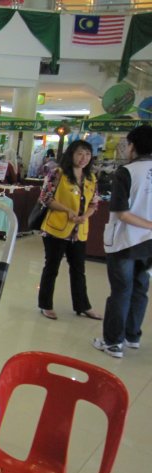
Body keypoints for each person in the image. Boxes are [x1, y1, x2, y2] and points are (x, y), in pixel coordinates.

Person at [94, 125, 152, 358]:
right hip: (149, 244)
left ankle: (113, 342)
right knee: (140, 289)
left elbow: (122, 213)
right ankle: (132, 336)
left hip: (125, 242)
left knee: (121, 291)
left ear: (133, 146)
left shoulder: (126, 172)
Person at [37, 140, 101, 321]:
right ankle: (45, 304)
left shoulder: (91, 178)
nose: (84, 158)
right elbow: (45, 198)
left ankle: (83, 305)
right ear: (71, 154)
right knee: (52, 267)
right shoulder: (58, 173)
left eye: (87, 154)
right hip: (56, 228)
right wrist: (68, 211)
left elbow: (94, 203)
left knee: (78, 269)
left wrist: (85, 216)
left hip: (79, 230)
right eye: (80, 153)